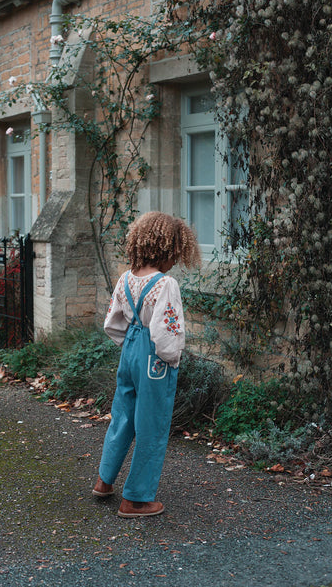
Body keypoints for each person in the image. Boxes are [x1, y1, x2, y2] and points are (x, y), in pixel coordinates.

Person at [92, 211, 201, 518]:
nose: (175, 261)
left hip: (129, 351)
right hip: (154, 358)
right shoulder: (165, 284)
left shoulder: (126, 278)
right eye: (175, 253)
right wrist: (172, 359)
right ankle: (136, 500)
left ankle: (104, 481)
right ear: (165, 249)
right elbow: (167, 332)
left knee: (122, 416)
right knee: (152, 423)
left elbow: (112, 324)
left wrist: (131, 345)